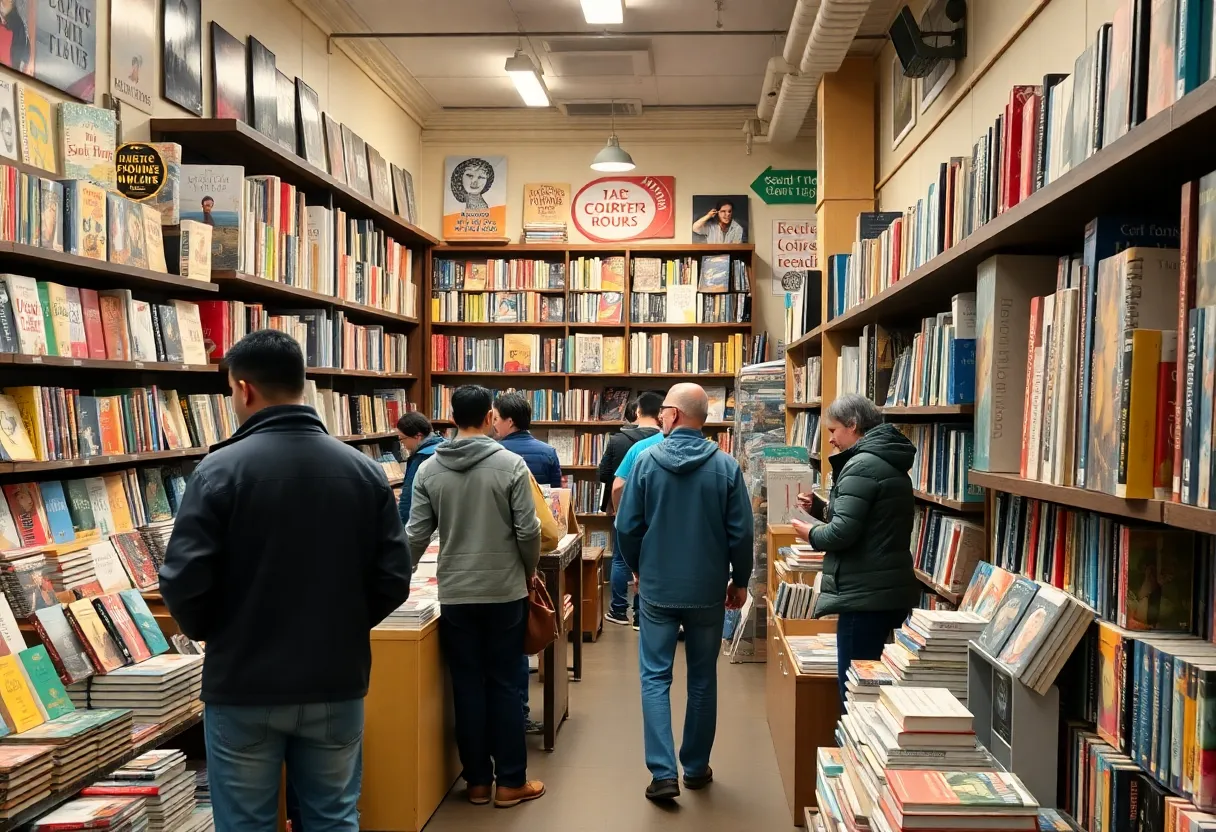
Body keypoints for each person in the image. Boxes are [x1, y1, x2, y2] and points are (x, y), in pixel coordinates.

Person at [160, 329, 412, 831]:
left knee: (246, 823)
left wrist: (225, 631)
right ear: (304, 385)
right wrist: (343, 625)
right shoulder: (364, 472)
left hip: (244, 682)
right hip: (335, 680)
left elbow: (184, 581)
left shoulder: (217, 472)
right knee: (335, 817)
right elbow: (393, 578)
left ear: (243, 388)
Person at [406, 385, 545, 809]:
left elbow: (415, 534)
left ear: (452, 418)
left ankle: (478, 783)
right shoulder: (511, 464)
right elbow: (529, 530)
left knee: (467, 686)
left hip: (456, 593)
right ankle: (511, 783)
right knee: (505, 683)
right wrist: (527, 570)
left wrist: (400, 579)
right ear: (489, 416)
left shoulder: (430, 468)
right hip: (503, 592)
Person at [615, 383, 753, 802]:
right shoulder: (726, 467)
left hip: (657, 587)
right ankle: (694, 767)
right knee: (702, 678)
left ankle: (662, 774)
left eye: (664, 413)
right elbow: (742, 532)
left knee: (655, 677)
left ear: (672, 416)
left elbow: (626, 526)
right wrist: (740, 580)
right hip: (708, 588)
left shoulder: (644, 462)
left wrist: (639, 567)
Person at [790, 394, 919, 708]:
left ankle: (851, 752)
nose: (831, 439)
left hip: (864, 595)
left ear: (853, 424)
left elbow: (842, 533)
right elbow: (870, 523)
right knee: (875, 686)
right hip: (887, 589)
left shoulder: (860, 465)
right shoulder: (884, 460)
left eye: (834, 430)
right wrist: (822, 508)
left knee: (854, 690)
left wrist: (811, 533)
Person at [491, 391, 559, 733]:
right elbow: (556, 500)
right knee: (521, 628)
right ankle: (520, 710)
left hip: (497, 552)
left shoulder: (498, 456)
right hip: (534, 552)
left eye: (498, 418)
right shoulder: (547, 452)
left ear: (509, 421)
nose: (494, 424)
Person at [598, 392, 663, 627]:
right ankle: (640, 614)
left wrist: (618, 509)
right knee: (648, 560)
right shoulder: (665, 441)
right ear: (662, 415)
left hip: (624, 508)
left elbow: (605, 475)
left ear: (637, 412)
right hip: (655, 512)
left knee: (619, 559)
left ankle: (617, 610)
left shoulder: (618, 440)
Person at [493, 392, 562, 488]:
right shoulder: (549, 452)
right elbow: (556, 494)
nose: (494, 424)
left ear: (510, 422)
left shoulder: (494, 451)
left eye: (496, 419)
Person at [396, 412, 444, 529]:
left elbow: (409, 499)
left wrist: (401, 528)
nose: (403, 445)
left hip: (424, 524)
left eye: (402, 439)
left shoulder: (421, 458)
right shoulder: (445, 448)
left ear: (417, 436)